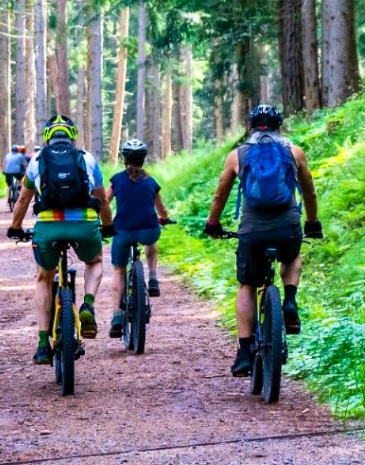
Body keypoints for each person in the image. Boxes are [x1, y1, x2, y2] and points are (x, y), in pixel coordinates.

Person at [202, 104, 323, 377]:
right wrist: (312, 222)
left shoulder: (238, 155)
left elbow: (220, 195)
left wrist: (213, 223)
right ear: (280, 126)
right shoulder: (295, 153)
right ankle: (289, 300)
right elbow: (310, 192)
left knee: (247, 284)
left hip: (253, 231)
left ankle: (244, 353)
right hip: (287, 226)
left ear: (251, 127)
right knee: (291, 256)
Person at [7, 115, 114, 365]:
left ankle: (43, 344)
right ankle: (87, 305)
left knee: (44, 277)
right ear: (72, 136)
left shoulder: (36, 161)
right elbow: (103, 199)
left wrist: (15, 228)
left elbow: (23, 200)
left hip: (49, 228)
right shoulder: (87, 159)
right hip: (84, 226)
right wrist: (107, 226)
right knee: (95, 261)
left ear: (47, 138)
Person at [104, 139, 174, 338]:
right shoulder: (151, 181)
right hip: (148, 230)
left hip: (123, 231)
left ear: (124, 159)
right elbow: (161, 209)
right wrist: (165, 219)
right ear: (144, 159)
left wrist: (104, 223)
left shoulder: (117, 180)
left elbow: (105, 202)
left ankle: (117, 315)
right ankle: (152, 277)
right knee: (152, 240)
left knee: (118, 270)